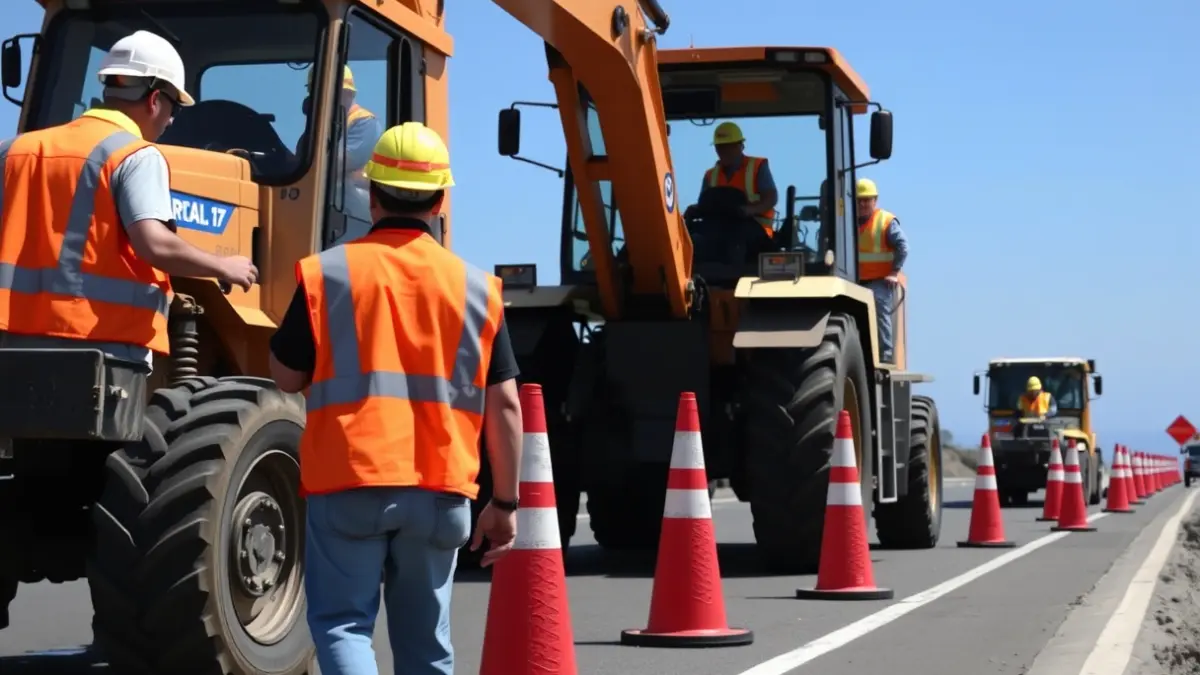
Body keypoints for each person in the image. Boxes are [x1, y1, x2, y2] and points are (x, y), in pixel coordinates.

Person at [267, 121, 523, 674]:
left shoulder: (328, 273)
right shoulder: (476, 288)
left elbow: (286, 377)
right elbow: (506, 406)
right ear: (439, 200)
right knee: (427, 647)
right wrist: (504, 503)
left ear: (373, 194)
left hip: (349, 481)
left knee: (342, 627)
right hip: (440, 490)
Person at [0, 30, 258, 373]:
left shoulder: (13, 150)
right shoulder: (135, 156)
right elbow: (154, 244)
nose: (170, 120)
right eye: (173, 108)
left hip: (9, 342)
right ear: (154, 100)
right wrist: (223, 266)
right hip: (96, 345)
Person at [297, 64, 383, 240]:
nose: (322, 97)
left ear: (349, 94)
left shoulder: (365, 122)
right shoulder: (319, 129)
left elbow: (339, 162)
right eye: (317, 92)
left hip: (355, 205)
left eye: (332, 92)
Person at [691, 121, 778, 239]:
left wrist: (750, 210)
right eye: (720, 147)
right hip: (720, 233)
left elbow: (771, 198)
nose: (723, 151)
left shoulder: (757, 166)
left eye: (728, 146)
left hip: (757, 234)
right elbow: (704, 205)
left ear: (740, 146)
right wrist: (694, 209)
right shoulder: (710, 175)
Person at [855, 177, 909, 363]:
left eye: (866, 200)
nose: (862, 204)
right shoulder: (846, 223)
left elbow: (903, 246)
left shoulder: (885, 221)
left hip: (879, 280)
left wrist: (894, 272)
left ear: (874, 200)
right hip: (854, 280)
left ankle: (885, 356)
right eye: (858, 200)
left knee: (879, 309)